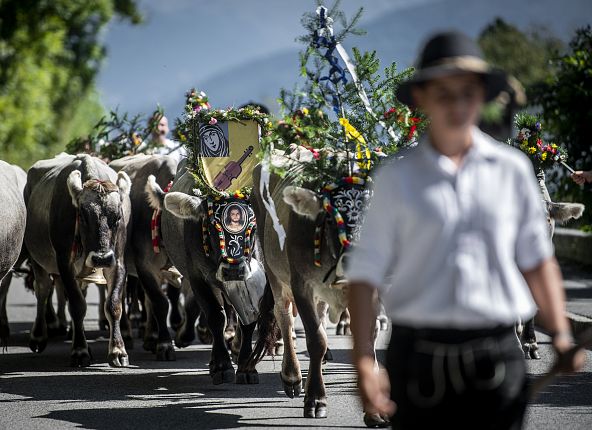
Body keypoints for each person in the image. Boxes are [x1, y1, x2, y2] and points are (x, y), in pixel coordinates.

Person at [346, 31, 584, 429]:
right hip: (416, 360)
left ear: (483, 97)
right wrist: (363, 363)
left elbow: (537, 261)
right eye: (444, 93)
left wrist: (560, 333)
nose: (457, 105)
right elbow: (365, 273)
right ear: (422, 98)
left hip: (496, 358)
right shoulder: (396, 178)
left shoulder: (513, 171)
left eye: (468, 93)